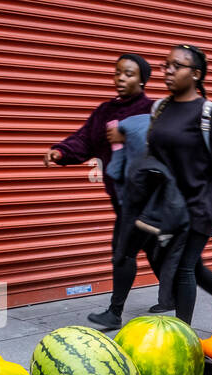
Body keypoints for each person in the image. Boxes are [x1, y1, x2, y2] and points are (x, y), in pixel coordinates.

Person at [94, 43, 212, 329]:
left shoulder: (208, 113)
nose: (167, 71)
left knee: (183, 267)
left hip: (204, 203)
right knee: (189, 264)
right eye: (165, 65)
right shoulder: (161, 108)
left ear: (195, 74)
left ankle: (183, 336)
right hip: (170, 202)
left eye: (176, 66)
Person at [43, 55, 154, 262]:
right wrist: (61, 152)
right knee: (153, 256)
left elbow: (164, 144)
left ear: (142, 80)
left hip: (149, 198)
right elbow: (85, 140)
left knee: (125, 254)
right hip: (121, 198)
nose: (120, 78)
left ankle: (177, 291)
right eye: (117, 73)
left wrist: (129, 136)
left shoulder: (153, 110)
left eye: (128, 74)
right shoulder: (104, 112)